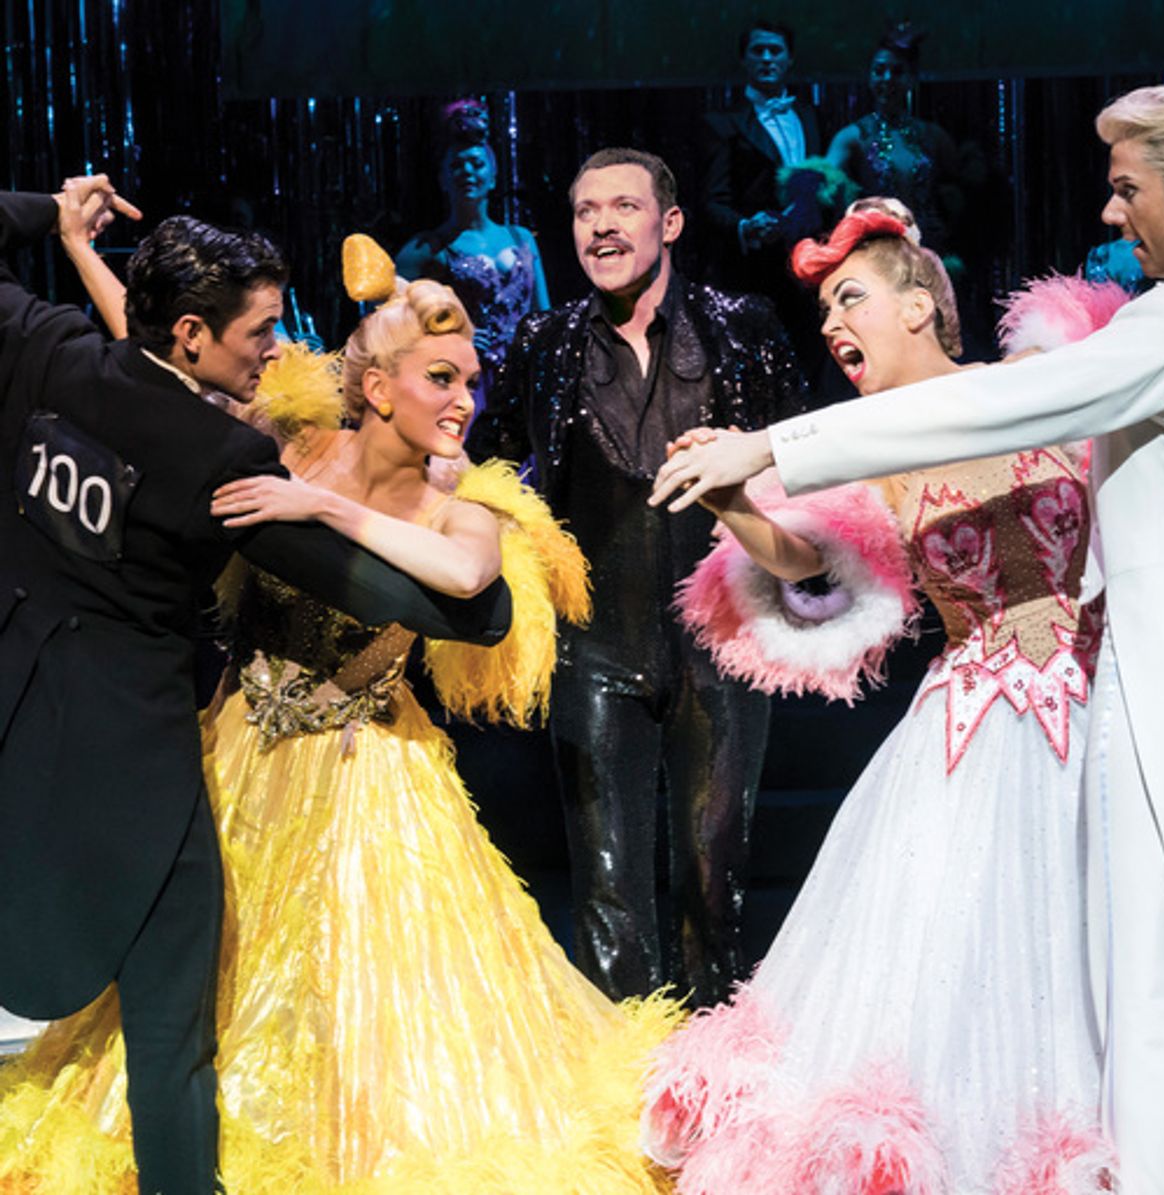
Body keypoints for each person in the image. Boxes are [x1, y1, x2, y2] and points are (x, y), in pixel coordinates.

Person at [652, 82, 1164, 1194]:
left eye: (853, 297)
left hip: (1118, 688)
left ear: (921, 303)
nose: (835, 325)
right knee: (1073, 966)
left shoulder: (1069, 372)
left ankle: (1159, 1160)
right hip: (987, 723)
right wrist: (742, 485)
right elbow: (811, 559)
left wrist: (769, 443)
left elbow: (1022, 403)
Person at [0, 235, 680, 1193]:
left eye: (472, 380)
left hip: (370, 775)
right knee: (205, 982)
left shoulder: (465, 498)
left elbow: (469, 579)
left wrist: (323, 512)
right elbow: (154, 375)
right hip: (239, 751)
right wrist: (77, 243)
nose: (465, 400)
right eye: (441, 377)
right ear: (376, 386)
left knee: (360, 991)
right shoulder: (290, 441)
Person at [467, 147, 810, 1006]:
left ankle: (712, 1066)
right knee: (608, 885)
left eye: (623, 206)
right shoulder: (545, 342)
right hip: (596, 649)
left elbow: (804, 460)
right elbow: (488, 467)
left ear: (671, 222)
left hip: (722, 646)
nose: (601, 226)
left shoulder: (743, 327)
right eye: (586, 212)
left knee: (712, 879)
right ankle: (624, 1072)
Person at [396, 97, 549, 417]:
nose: (467, 172)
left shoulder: (521, 238)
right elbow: (388, 317)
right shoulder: (429, 248)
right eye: (456, 165)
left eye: (476, 164)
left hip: (526, 376)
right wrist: (448, 340)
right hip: (472, 380)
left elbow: (544, 315)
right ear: (442, 179)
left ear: (493, 176)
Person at [699, 20, 824, 376]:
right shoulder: (724, 123)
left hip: (810, 266)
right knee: (759, 368)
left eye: (775, 50)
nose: (767, 58)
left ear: (789, 59)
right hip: (755, 271)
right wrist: (746, 226)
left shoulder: (810, 116)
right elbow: (712, 201)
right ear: (744, 60)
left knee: (811, 363)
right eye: (758, 51)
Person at [826, 24, 966, 255]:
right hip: (877, 252)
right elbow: (822, 186)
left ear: (912, 78)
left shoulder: (933, 136)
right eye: (879, 70)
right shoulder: (852, 137)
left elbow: (963, 192)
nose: (887, 79)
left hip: (928, 250)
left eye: (898, 72)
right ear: (869, 76)